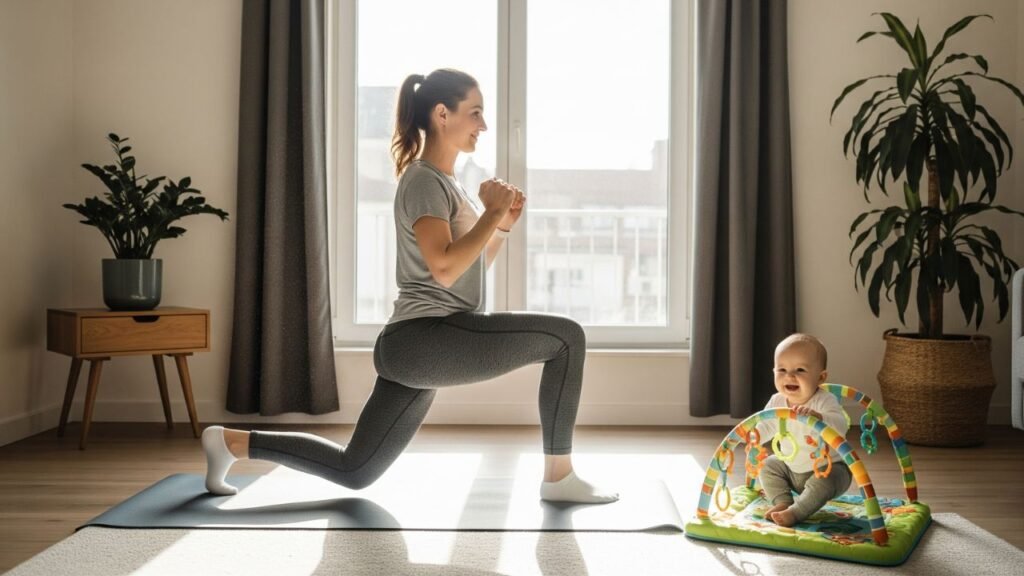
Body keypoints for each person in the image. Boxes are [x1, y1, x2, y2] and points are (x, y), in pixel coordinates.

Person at [202, 68, 618, 504]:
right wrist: (490, 215)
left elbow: (464, 271)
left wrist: (501, 228)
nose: (484, 125)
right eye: (475, 113)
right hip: (424, 339)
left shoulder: (447, 184)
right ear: (442, 113)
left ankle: (230, 442)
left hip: (421, 343)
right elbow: (442, 268)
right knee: (566, 338)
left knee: (355, 470)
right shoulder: (423, 180)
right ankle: (559, 477)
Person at [754, 333, 851, 526]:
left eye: (800, 370)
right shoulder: (777, 401)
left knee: (824, 483)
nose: (789, 376)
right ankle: (782, 502)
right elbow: (766, 426)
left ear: (820, 377)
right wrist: (754, 435)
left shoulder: (824, 400)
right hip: (790, 468)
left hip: (829, 469)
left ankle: (797, 512)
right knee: (767, 465)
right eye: (782, 369)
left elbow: (840, 427)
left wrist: (820, 419)